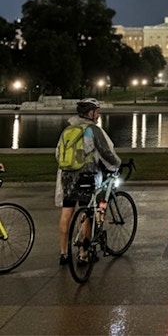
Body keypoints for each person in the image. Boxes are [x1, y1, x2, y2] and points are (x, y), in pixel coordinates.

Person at [55, 98, 121, 266]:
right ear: (90, 113)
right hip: (86, 175)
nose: (98, 115)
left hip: (67, 176)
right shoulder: (92, 130)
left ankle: (63, 253)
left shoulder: (68, 130)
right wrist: (117, 165)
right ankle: (83, 254)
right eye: (96, 111)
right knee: (87, 212)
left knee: (67, 212)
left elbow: (58, 154)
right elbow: (106, 152)